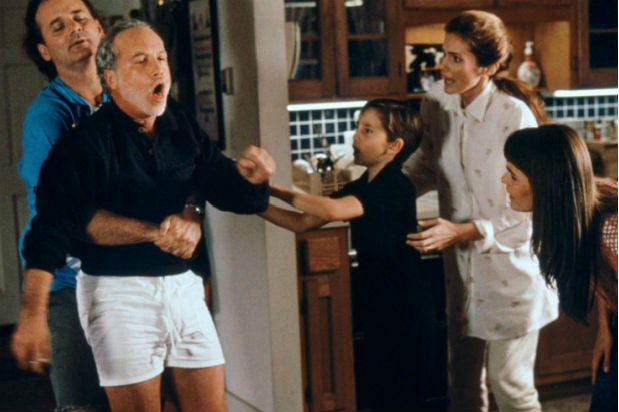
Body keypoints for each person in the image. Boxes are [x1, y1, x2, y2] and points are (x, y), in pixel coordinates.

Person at [20, 18, 274, 411]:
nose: (158, 69)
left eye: (161, 58)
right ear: (112, 79)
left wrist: (252, 179)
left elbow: (225, 188)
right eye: (141, 60)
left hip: (183, 288)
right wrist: (33, 315)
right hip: (117, 294)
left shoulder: (180, 125)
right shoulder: (84, 145)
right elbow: (49, 231)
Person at [11, 3, 204, 411]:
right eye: (58, 27)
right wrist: (159, 234)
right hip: (72, 283)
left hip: (146, 279)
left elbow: (183, 176)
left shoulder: (142, 98)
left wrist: (189, 222)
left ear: (100, 29)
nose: (74, 29)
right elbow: (65, 217)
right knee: (84, 406)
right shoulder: (49, 117)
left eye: (80, 18)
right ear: (44, 51)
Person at [402, 10, 558, 412]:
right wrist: (374, 195)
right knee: (463, 386)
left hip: (513, 271)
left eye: (456, 58)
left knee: (510, 386)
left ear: (487, 67)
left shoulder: (513, 116)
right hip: (460, 272)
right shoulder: (436, 102)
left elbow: (530, 209)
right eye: (444, 53)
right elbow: (425, 165)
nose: (443, 66)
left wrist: (464, 231)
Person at [261, 99, 436, 411]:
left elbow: (333, 210)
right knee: (380, 394)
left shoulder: (395, 185)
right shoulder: (363, 185)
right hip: (378, 302)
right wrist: (252, 202)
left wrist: (271, 190)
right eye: (358, 127)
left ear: (394, 146)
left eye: (367, 130)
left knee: (403, 398)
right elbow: (301, 222)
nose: (356, 136)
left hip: (404, 308)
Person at [502, 124, 617, 412]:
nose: (504, 180)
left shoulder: (612, 228)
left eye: (512, 174)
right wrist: (607, 331)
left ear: (544, 182)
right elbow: (607, 278)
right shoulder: (576, 208)